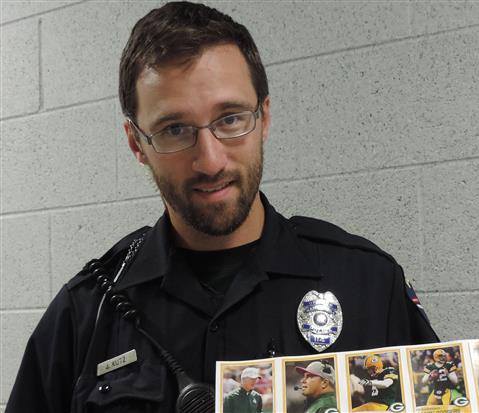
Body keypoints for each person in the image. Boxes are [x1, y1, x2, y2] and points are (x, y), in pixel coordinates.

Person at [7, 1, 438, 412]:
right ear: (137, 143)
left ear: (264, 117)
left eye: (230, 118)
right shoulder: (86, 312)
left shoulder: (367, 284)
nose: (210, 160)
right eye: (175, 129)